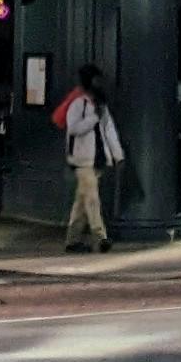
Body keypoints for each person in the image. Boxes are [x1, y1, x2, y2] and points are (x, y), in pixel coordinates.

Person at [58, 66, 122, 253]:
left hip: (98, 159)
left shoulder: (101, 105)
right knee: (92, 199)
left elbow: (109, 131)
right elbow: (74, 128)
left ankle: (72, 240)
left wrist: (117, 155)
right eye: (97, 79)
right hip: (83, 159)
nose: (100, 83)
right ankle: (100, 238)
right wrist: (93, 119)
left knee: (82, 201)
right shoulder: (78, 104)